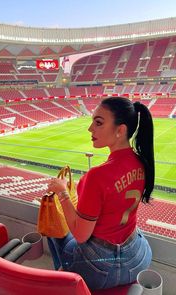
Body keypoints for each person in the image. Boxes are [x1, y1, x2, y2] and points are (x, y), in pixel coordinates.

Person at [47, 96, 154, 290]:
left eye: (98, 123)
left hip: (102, 269)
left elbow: (81, 235)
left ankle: (67, 282)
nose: (90, 129)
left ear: (120, 131)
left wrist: (62, 192)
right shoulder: (142, 163)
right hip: (138, 257)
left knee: (54, 232)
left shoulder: (96, 176)